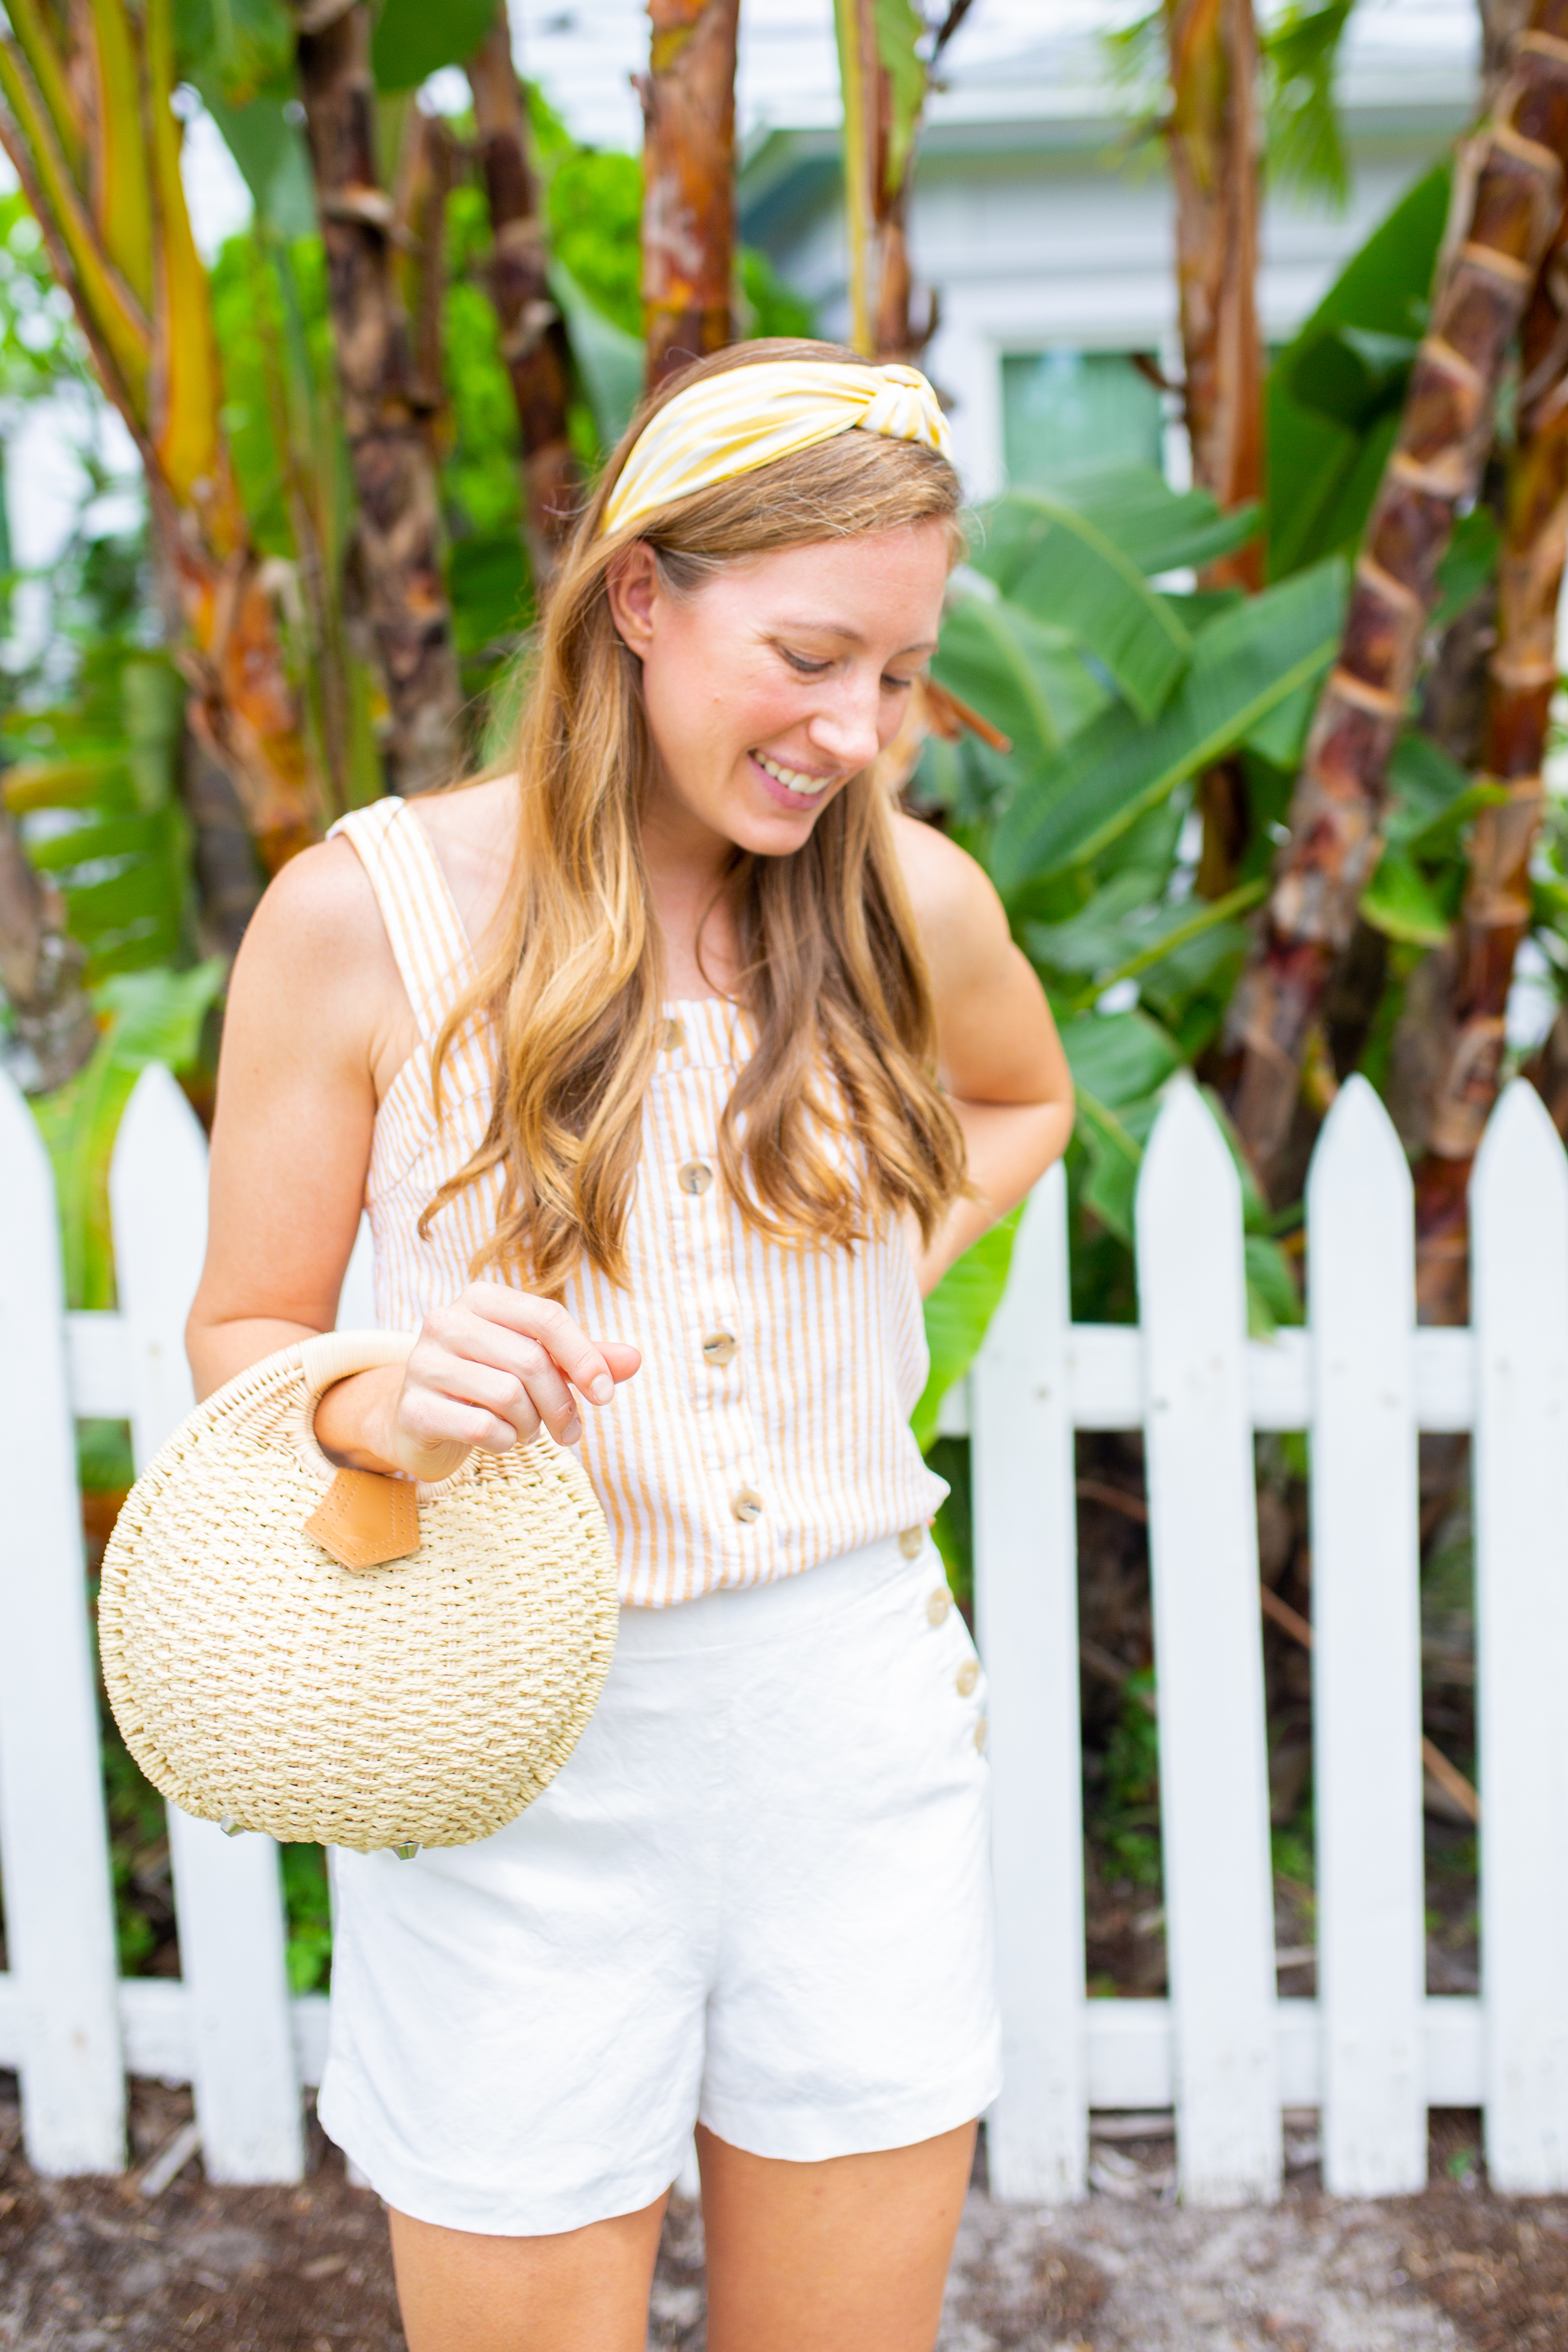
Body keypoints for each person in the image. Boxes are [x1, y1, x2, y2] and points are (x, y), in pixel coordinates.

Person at [186, 339, 1073, 2352]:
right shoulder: (366, 918)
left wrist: (869, 1269)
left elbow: (1024, 1103)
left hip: (853, 1744)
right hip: (510, 1767)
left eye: (897, 673)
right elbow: (239, 1326)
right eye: (810, 655)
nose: (857, 728)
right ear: (643, 596)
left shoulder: (906, 907)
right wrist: (381, 1398)